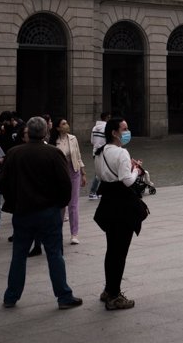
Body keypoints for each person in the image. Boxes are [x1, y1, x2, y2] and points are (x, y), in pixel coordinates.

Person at [0, 116, 81, 310]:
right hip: (48, 212)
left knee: (18, 254)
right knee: (54, 254)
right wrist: (58, 204)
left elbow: (2, 184)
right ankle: (63, 296)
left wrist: (15, 200)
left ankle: (11, 296)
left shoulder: (14, 153)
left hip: (23, 211)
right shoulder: (53, 153)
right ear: (45, 132)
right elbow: (65, 184)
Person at [93, 117, 143, 311]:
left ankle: (108, 289)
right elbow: (127, 181)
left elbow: (100, 176)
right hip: (122, 205)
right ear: (114, 132)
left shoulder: (99, 152)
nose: (126, 131)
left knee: (111, 249)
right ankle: (115, 296)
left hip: (108, 203)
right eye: (124, 128)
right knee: (120, 252)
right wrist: (136, 170)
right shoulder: (122, 152)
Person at [52, 118, 87, 244]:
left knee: (73, 205)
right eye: (63, 124)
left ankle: (74, 234)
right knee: (61, 205)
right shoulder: (53, 142)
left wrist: (83, 173)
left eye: (66, 123)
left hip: (74, 172)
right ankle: (57, 233)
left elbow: (78, 156)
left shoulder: (73, 138)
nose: (66, 125)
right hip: (60, 175)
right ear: (57, 128)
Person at [87, 112, 110, 200]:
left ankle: (100, 192)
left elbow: (92, 141)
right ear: (107, 117)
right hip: (103, 153)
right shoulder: (107, 128)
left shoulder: (94, 128)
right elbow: (108, 141)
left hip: (95, 152)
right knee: (99, 174)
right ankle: (92, 192)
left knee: (101, 172)